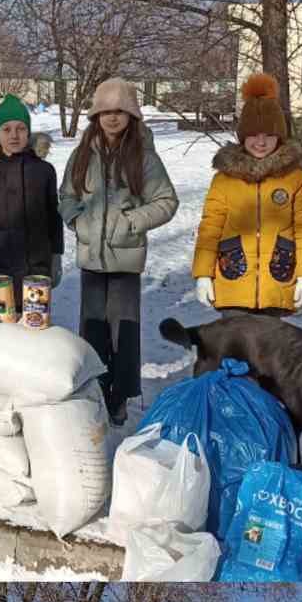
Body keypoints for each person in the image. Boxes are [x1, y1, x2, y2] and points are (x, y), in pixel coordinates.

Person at [58, 79, 177, 426]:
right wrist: (77, 222)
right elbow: (66, 196)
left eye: (119, 112)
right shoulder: (82, 155)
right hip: (91, 259)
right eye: (105, 111)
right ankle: (96, 389)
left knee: (123, 329)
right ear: (96, 115)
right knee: (92, 327)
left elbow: (166, 201)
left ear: (131, 115)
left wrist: (130, 222)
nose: (112, 118)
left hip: (125, 258)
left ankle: (120, 395)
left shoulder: (144, 156)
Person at [193, 72, 302, 318]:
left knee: (271, 354)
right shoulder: (224, 179)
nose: (261, 142)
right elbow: (210, 228)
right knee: (235, 353)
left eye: (269, 134)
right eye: (254, 134)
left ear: (279, 137)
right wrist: (203, 275)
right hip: (233, 283)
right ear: (243, 136)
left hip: (277, 283)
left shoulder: (294, 179)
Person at [0, 95, 62, 337]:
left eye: (20, 128)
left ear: (28, 132)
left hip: (36, 267)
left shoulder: (43, 170)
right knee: (1, 333)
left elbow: (54, 215)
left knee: (35, 330)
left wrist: (56, 255)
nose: (14, 135)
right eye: (6, 129)